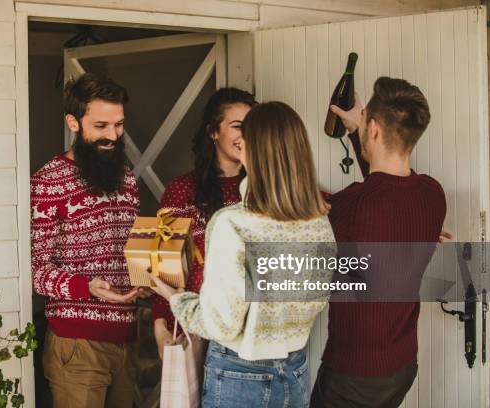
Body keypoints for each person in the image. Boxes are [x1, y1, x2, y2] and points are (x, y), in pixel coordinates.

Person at [152, 102, 335, 407]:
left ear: (253, 151)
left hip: (240, 372)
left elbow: (221, 324)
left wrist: (177, 299)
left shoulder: (233, 223)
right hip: (295, 369)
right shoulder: (319, 221)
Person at [310, 77, 446, 407]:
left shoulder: (353, 206)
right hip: (401, 364)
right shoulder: (432, 194)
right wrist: (360, 128)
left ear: (373, 129)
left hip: (354, 374)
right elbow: (384, 190)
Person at [31, 73, 147, 408]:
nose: (113, 135)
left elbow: (129, 254)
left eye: (119, 125)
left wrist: (146, 280)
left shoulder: (126, 178)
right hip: (76, 345)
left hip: (127, 340)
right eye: (101, 126)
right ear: (73, 122)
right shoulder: (47, 182)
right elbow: (36, 270)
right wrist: (87, 287)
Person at [152, 87, 257, 357]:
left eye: (252, 126)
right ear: (213, 132)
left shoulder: (269, 188)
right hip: (195, 325)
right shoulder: (182, 190)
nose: (246, 134)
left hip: (248, 333)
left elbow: (326, 206)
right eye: (237, 126)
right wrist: (161, 326)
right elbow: (163, 263)